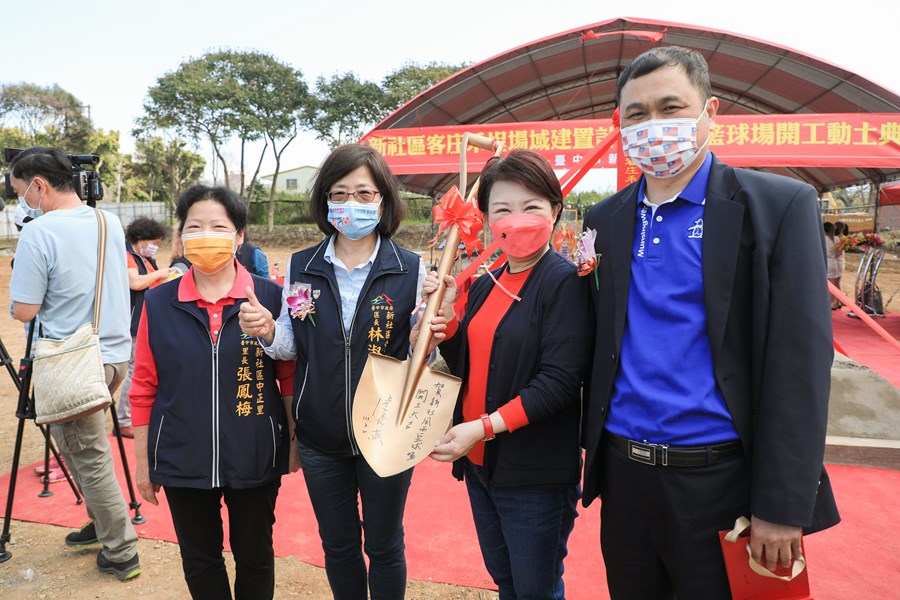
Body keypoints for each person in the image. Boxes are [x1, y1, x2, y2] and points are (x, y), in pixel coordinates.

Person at [581, 47, 839, 598]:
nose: (653, 126)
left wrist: (781, 506)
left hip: (721, 482)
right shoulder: (605, 219)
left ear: (710, 112)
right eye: (636, 114)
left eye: (670, 108)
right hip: (626, 480)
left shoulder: (777, 206)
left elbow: (800, 364)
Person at [239, 143, 425, 599]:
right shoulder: (303, 265)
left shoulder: (412, 269)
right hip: (321, 435)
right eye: (340, 193)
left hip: (386, 432)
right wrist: (266, 330)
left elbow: (423, 353)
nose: (352, 204)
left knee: (384, 545)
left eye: (365, 194)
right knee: (338, 545)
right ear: (325, 201)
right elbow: (289, 342)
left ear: (384, 200)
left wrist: (429, 332)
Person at [414, 149, 593, 599]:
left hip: (533, 474)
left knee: (536, 589)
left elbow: (560, 381)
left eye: (532, 207)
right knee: (507, 581)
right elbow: (471, 358)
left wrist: (483, 427)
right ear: (488, 220)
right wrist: (448, 320)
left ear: (555, 211)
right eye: (502, 210)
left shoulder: (565, 281)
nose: (518, 220)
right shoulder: (490, 276)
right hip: (481, 466)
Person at [130, 185, 297, 600]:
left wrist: (292, 440)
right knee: (200, 558)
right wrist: (142, 462)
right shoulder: (159, 300)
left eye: (218, 227)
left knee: (255, 553)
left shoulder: (271, 297)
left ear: (239, 236)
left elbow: (289, 377)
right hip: (182, 454)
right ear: (181, 237)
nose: (206, 235)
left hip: (255, 450)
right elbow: (144, 385)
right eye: (195, 227)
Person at [8, 146, 141, 581]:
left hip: (73, 359)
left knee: (90, 454)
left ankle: (121, 550)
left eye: (21, 192)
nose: (22, 201)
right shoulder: (109, 220)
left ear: (39, 185)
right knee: (73, 444)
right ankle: (103, 523)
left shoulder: (39, 233)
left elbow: (24, 311)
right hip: (114, 353)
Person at [116, 216, 170, 438]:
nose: (154, 246)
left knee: (144, 368)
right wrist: (161, 273)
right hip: (134, 322)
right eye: (152, 241)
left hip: (148, 321)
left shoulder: (144, 257)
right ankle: (123, 419)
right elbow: (135, 283)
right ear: (140, 239)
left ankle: (134, 414)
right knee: (133, 370)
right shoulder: (129, 256)